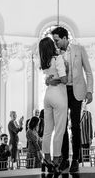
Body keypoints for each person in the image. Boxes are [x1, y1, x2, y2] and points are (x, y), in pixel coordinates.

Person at [49, 26, 93, 172]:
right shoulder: (54, 53)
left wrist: (90, 91)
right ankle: (64, 159)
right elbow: (50, 73)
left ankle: (75, 160)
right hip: (61, 91)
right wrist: (48, 80)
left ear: (65, 38)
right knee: (61, 127)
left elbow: (88, 72)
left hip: (77, 92)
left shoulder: (79, 49)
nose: (55, 43)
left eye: (57, 40)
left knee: (75, 126)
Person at [39, 37, 68, 172]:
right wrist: (67, 70)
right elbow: (63, 79)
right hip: (59, 95)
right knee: (60, 130)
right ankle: (56, 161)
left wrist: (49, 80)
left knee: (47, 130)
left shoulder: (44, 62)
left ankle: (46, 158)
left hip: (48, 95)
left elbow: (48, 79)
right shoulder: (58, 59)